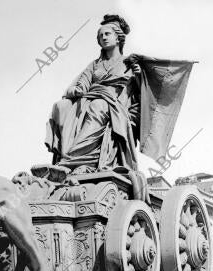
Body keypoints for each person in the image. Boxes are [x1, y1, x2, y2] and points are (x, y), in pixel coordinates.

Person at [45, 14, 141, 173]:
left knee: (98, 105)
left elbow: (138, 98)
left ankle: (71, 160)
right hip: (89, 99)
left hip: (114, 106)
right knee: (60, 106)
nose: (103, 37)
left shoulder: (130, 64)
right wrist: (77, 89)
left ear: (118, 38)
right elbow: (81, 81)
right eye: (100, 35)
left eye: (107, 34)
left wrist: (138, 78)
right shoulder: (95, 64)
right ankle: (65, 157)